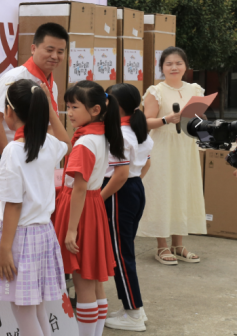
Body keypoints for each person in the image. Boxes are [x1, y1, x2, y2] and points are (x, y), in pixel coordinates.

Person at [0, 79, 71, 335]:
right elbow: (66, 141)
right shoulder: (48, 144)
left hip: (20, 237)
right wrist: (48, 108)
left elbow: (13, 204)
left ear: (9, 112)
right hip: (43, 233)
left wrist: (4, 250)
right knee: (36, 309)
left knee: (24, 312)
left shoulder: (14, 150)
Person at [53, 80, 124, 336]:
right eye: (67, 107)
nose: (69, 112)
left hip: (80, 210)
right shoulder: (100, 135)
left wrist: (71, 231)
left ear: (95, 109)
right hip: (92, 208)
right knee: (94, 285)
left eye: (74, 107)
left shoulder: (84, 143)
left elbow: (79, 188)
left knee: (83, 283)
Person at [0, 23, 68, 184]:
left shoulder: (51, 85)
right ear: (33, 48)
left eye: (60, 52)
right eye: (49, 50)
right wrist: (10, 158)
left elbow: (48, 126)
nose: (55, 56)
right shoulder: (14, 78)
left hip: (28, 154)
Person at [139, 46, 206, 264]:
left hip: (186, 147)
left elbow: (199, 118)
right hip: (162, 147)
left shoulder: (195, 89)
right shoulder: (155, 91)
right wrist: (166, 119)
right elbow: (145, 121)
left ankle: (178, 245)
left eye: (178, 63)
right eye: (168, 64)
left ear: (186, 66)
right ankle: (161, 246)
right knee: (163, 193)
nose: (174, 67)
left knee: (182, 191)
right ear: (162, 68)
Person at [100, 84, 153, 332]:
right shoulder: (138, 129)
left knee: (121, 256)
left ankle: (132, 313)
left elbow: (119, 175)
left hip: (118, 192)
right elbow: (146, 165)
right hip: (134, 190)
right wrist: (132, 185)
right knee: (124, 252)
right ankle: (134, 309)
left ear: (113, 104)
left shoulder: (119, 133)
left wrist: (98, 199)